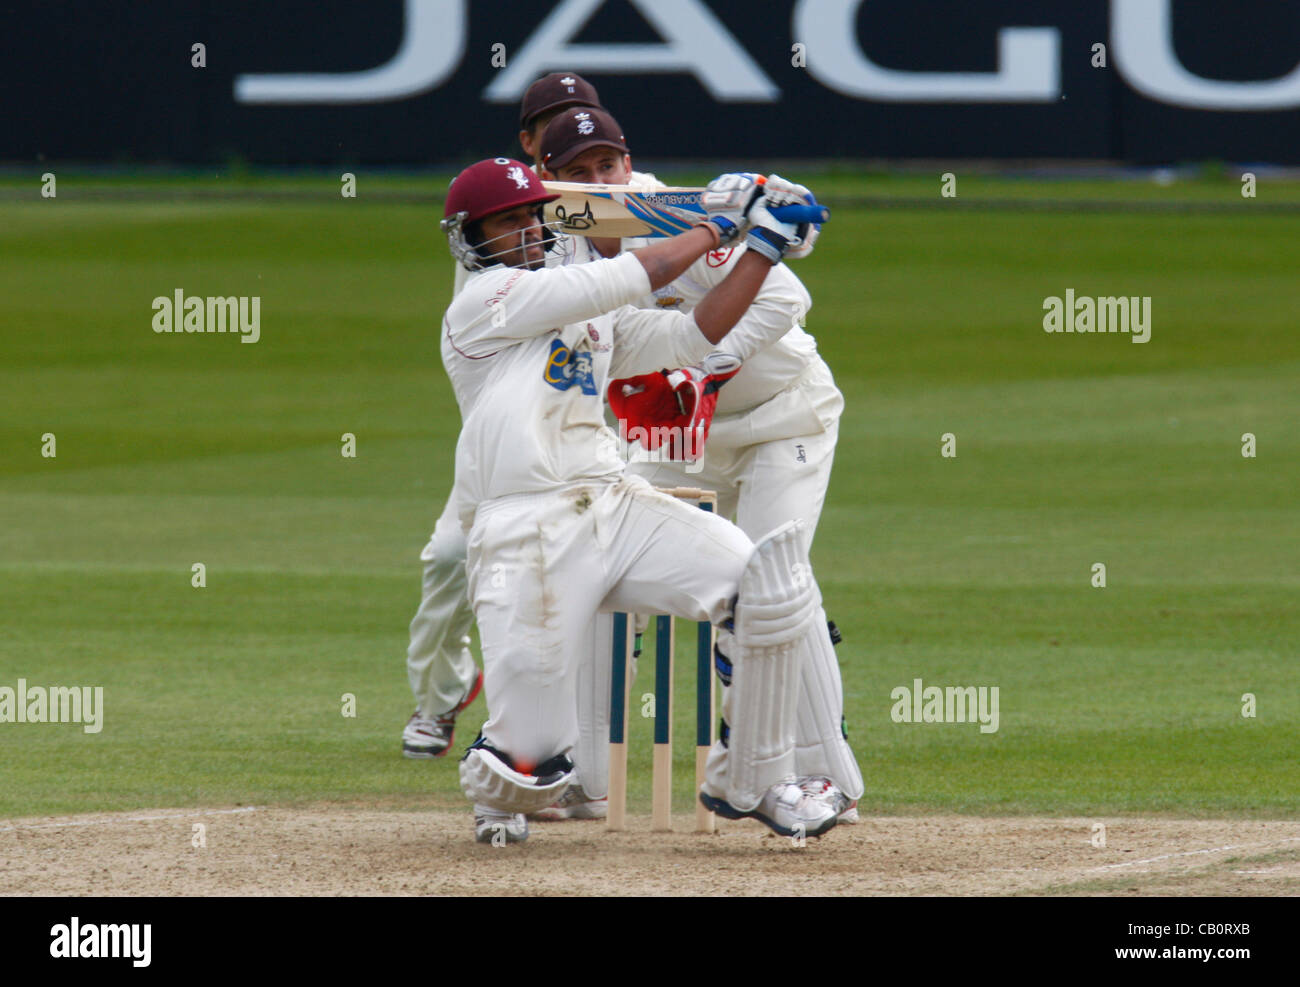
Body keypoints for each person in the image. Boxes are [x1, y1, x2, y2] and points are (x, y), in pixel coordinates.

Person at [439, 156, 841, 843]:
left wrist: (762, 250)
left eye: (532, 217)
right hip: (527, 528)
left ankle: (752, 781)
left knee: (764, 585)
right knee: (531, 767)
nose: (527, 232)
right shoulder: (485, 303)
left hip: (612, 502)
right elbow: (636, 273)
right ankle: (503, 778)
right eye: (506, 223)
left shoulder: (590, 319)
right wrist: (721, 223)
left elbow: (693, 333)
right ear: (473, 238)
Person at [534, 107, 864, 823]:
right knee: (593, 563)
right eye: (579, 174)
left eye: (608, 166)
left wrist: (706, 370)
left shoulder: (671, 216)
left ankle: (808, 772)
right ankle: (577, 773)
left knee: (775, 577)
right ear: (553, 180)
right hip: (672, 439)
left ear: (629, 163)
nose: (599, 182)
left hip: (782, 417)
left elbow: (786, 297)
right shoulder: (562, 243)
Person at [402, 72, 653, 761]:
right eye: (556, 125)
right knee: (452, 559)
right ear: (531, 142)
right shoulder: (505, 218)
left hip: (585, 434)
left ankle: (568, 738)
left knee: (593, 577)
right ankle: (442, 696)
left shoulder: (645, 200)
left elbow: (695, 248)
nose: (575, 138)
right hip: (502, 442)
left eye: (589, 126)